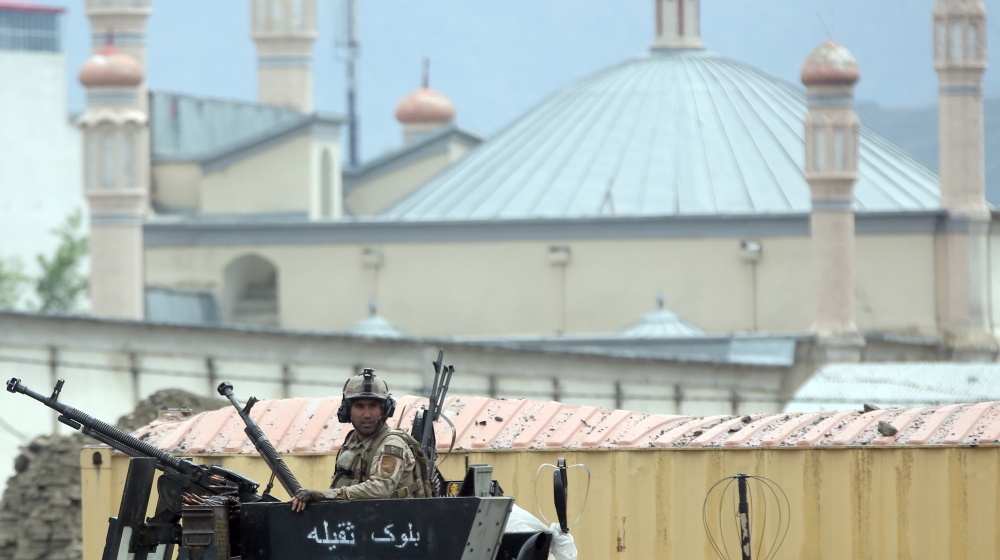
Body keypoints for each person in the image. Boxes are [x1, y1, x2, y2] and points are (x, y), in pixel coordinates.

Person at [291, 369, 427, 511]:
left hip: (394, 523)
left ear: (384, 409)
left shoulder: (392, 443)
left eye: (373, 406)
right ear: (347, 410)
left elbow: (381, 488)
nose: (366, 414)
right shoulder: (352, 440)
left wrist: (324, 495)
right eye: (359, 406)